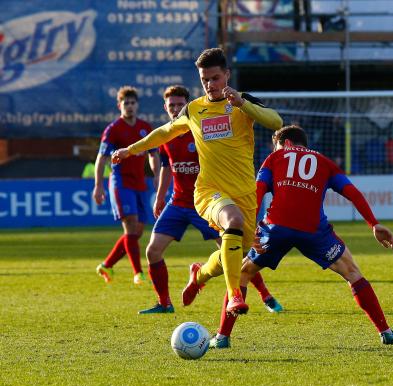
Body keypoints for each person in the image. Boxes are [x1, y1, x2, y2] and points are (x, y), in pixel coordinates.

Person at [111, 48, 283, 316]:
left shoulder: (242, 102)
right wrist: (130, 150)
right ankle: (235, 295)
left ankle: (199, 274)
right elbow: (163, 133)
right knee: (233, 223)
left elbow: (276, 122)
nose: (209, 85)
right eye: (204, 79)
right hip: (208, 192)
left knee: (235, 253)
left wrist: (243, 104)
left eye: (215, 78)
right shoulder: (194, 109)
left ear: (226, 74)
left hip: (245, 194)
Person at [209, 125, 393, 348]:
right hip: (314, 231)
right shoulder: (325, 162)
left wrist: (249, 228)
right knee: (352, 272)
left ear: (287, 144)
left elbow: (258, 191)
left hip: (276, 229)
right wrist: (374, 224)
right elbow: (352, 192)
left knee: (243, 273)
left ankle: (223, 337)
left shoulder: (275, 157)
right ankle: (386, 332)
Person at [94, 86, 160, 285]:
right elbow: (102, 157)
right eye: (126, 103)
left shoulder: (145, 128)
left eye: (132, 103)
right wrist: (98, 185)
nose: (130, 106)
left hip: (140, 183)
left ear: (137, 105)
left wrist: (157, 175)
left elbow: (153, 154)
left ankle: (107, 265)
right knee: (131, 226)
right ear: (119, 106)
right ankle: (138, 273)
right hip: (121, 182)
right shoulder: (113, 129)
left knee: (137, 231)